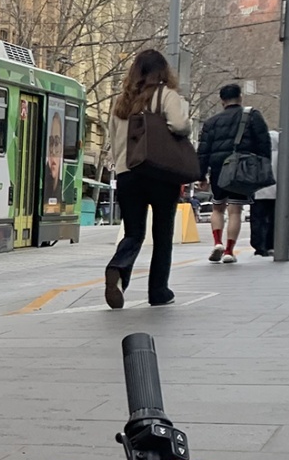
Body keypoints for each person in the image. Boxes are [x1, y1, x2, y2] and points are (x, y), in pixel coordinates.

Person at [103, 48, 192, 309]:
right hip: (161, 173)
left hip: (128, 174)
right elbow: (179, 125)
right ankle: (158, 291)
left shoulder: (121, 102)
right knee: (162, 235)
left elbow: (113, 139)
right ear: (163, 71)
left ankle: (118, 268)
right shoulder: (166, 96)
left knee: (133, 232)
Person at [195, 82, 270, 265]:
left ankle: (217, 242)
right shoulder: (252, 116)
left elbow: (203, 151)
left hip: (219, 168)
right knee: (235, 210)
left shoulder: (211, 122)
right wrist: (261, 165)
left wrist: (201, 175)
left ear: (222, 101)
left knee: (217, 208)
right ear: (240, 97)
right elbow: (263, 142)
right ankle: (229, 250)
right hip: (241, 168)